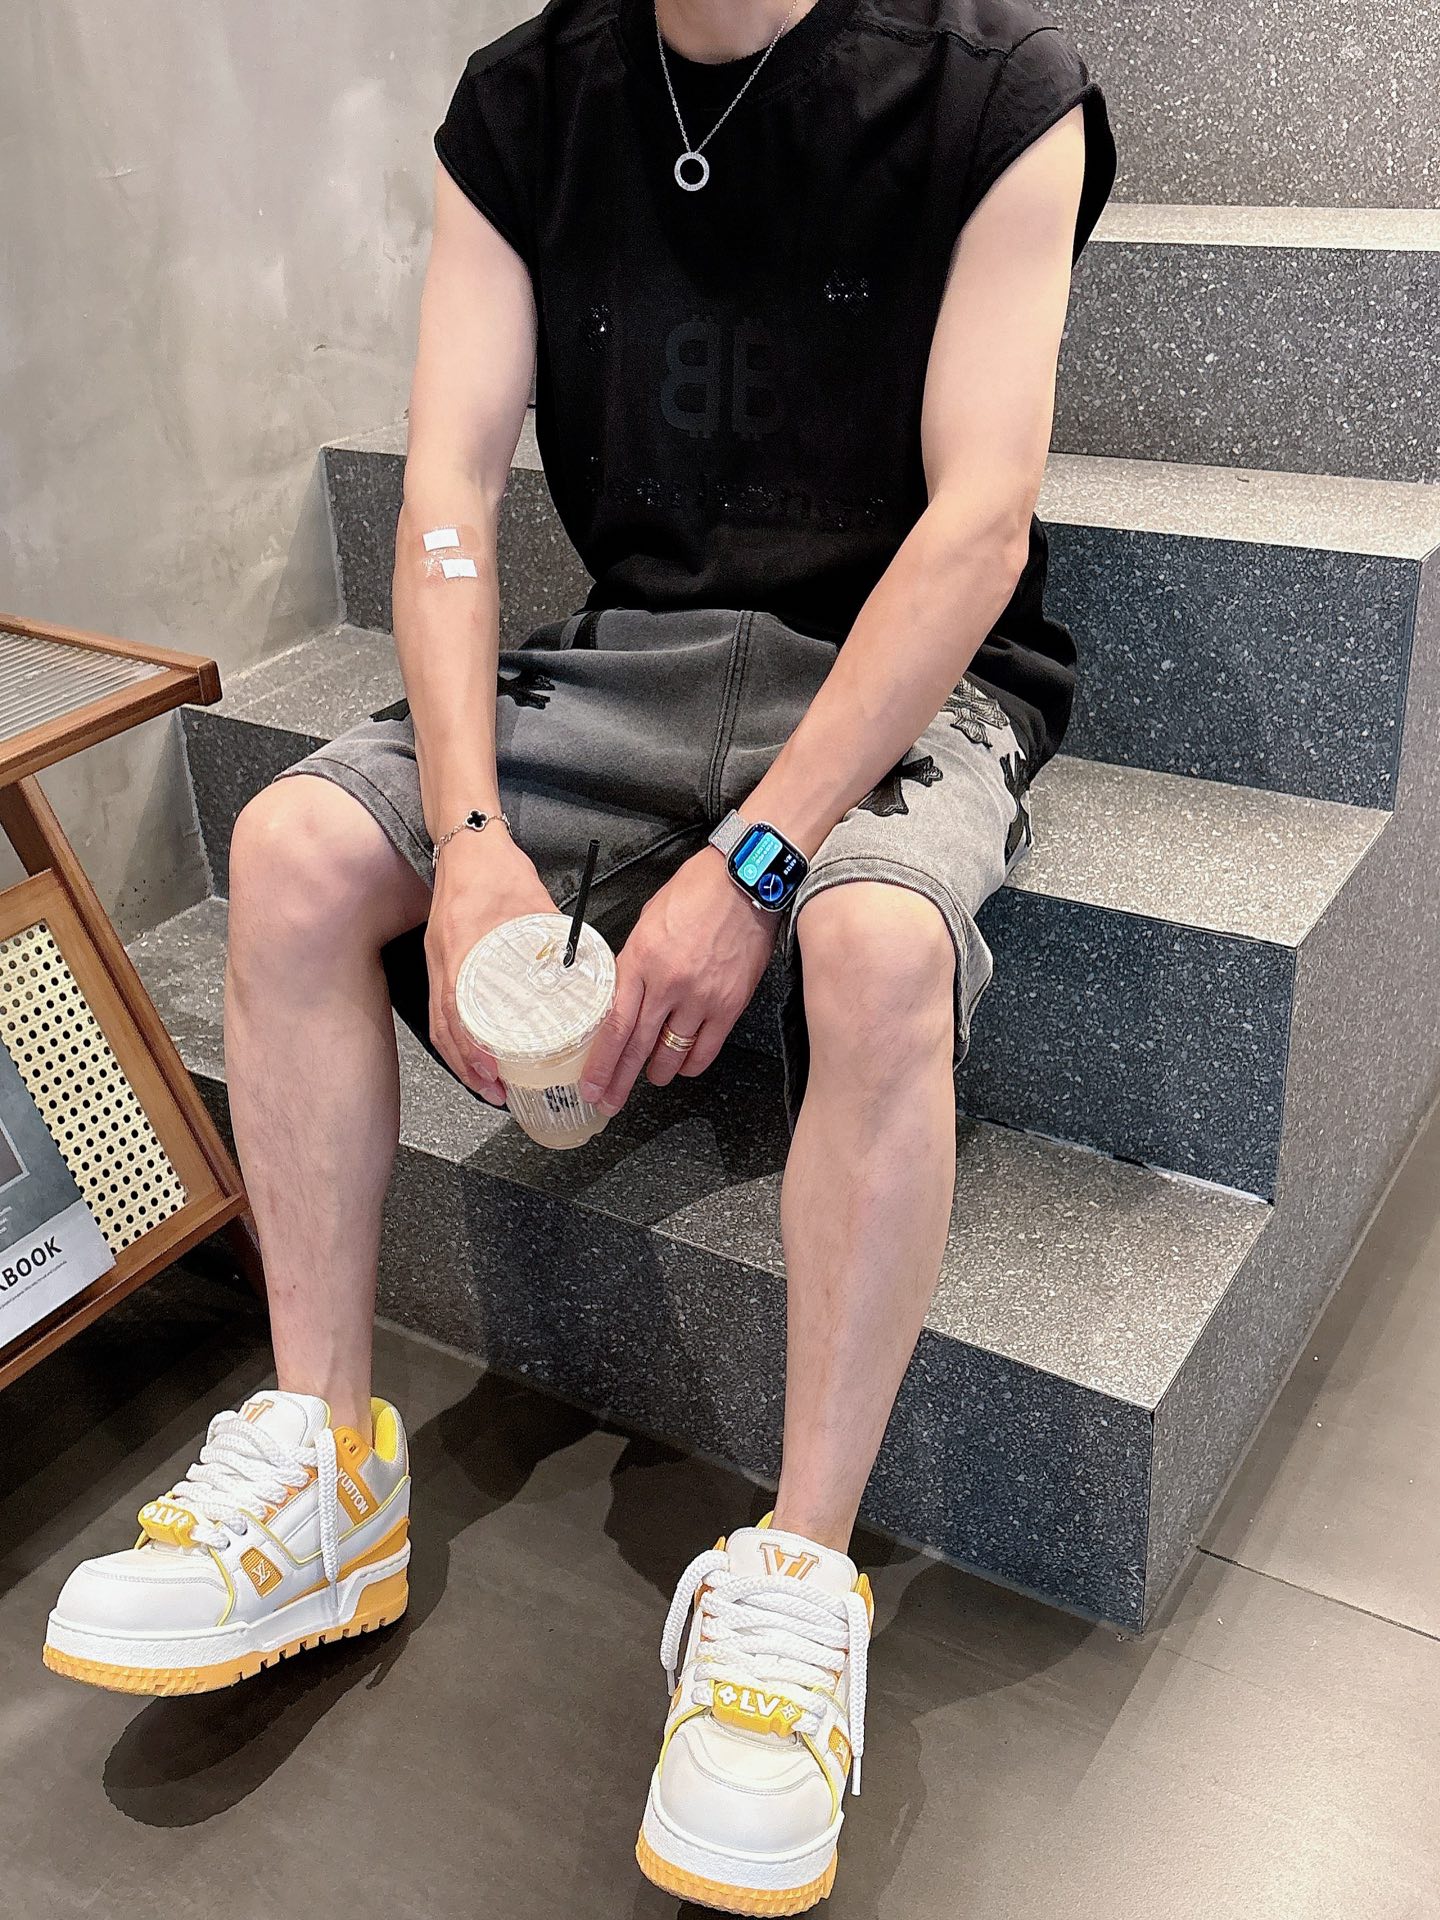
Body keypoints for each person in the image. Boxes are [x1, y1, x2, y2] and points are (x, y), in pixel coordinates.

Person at [43, 0, 1115, 1908]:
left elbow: (980, 526)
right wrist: (467, 843)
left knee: (877, 949)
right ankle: (327, 1467)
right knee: (293, 852)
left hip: (900, 668)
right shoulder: (525, 103)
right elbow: (449, 501)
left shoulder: (994, 89)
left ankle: (798, 1577)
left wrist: (759, 860)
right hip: (630, 663)